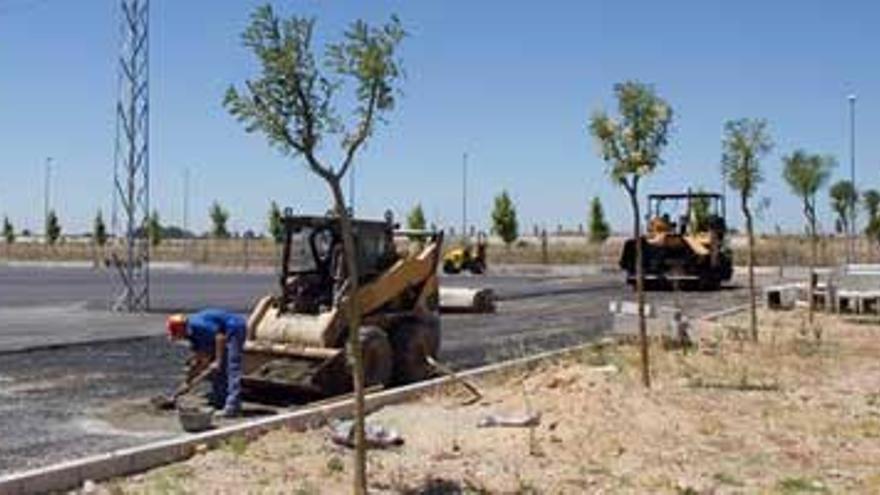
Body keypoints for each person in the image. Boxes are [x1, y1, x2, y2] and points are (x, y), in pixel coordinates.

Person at [166, 309, 246, 417]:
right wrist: (188, 380)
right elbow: (201, 359)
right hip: (218, 334)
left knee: (231, 366)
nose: (178, 338)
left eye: (176, 335)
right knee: (215, 368)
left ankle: (233, 406)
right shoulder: (190, 334)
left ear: (181, 330)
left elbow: (220, 337)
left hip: (234, 328)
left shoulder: (200, 327)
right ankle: (220, 399)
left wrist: (218, 360)